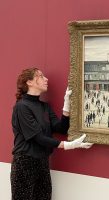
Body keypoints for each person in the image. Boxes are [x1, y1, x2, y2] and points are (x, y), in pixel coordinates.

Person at [11, 67, 93, 200]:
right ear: (29, 82)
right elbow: (38, 138)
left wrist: (67, 104)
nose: (46, 79)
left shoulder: (44, 107)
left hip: (42, 162)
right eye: (40, 76)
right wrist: (70, 145)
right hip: (25, 163)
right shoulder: (22, 107)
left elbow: (61, 128)